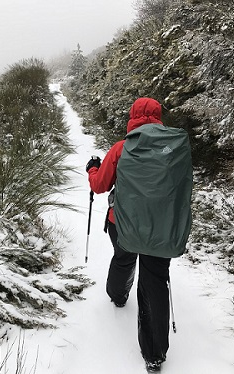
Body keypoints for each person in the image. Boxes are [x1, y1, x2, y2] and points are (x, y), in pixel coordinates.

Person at [86, 97, 172, 372]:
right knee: (155, 280)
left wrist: (92, 168)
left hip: (122, 223)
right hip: (159, 227)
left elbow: (100, 186)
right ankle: (154, 354)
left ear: (132, 117)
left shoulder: (122, 148)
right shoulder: (172, 149)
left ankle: (118, 295)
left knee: (123, 258)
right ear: (159, 117)